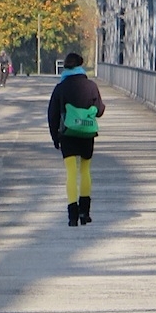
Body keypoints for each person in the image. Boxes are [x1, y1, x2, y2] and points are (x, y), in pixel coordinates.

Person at [47, 53, 106, 226]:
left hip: (67, 134)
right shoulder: (91, 86)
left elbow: (53, 114)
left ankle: (72, 215)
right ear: (81, 66)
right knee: (85, 170)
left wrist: (55, 137)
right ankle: (84, 212)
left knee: (71, 172)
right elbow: (100, 110)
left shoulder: (61, 87)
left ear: (65, 67)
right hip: (87, 133)